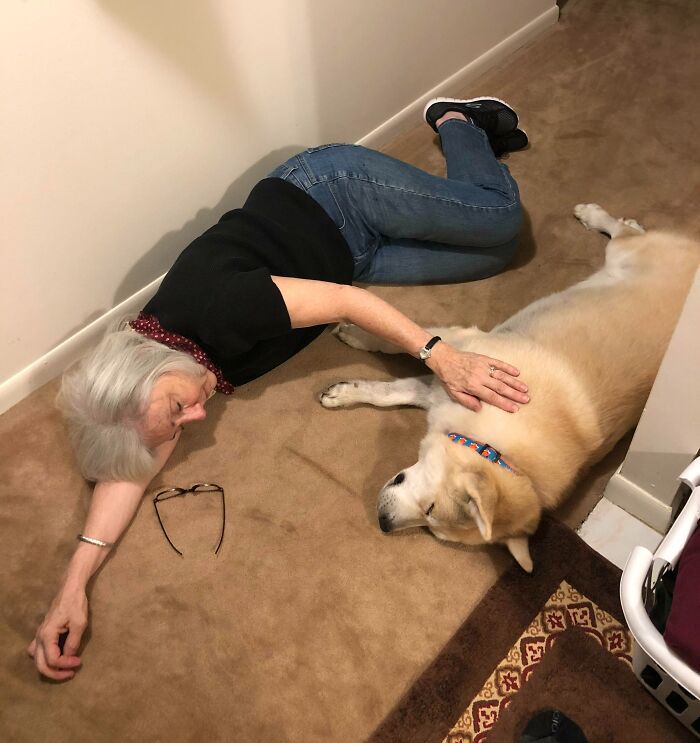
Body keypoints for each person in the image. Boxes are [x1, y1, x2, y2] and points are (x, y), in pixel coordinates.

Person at [28, 96, 531, 680]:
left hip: (334, 195)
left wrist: (442, 357)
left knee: (500, 219)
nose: (193, 420)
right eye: (175, 426)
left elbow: (346, 305)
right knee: (497, 255)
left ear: (147, 370)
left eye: (177, 410)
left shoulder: (221, 308)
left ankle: (454, 119)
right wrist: (73, 586)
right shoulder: (162, 377)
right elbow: (132, 468)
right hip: (347, 259)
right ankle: (470, 164)